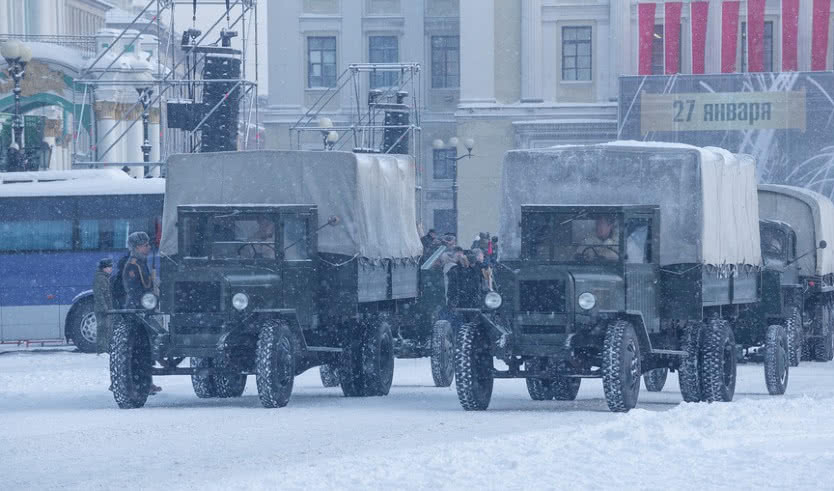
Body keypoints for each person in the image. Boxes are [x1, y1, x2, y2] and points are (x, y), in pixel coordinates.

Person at [122, 231, 162, 394]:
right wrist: (146, 300)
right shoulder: (133, 264)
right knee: (143, 349)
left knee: (147, 348)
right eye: (145, 245)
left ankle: (146, 382)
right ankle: (141, 383)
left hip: (145, 309)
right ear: (137, 247)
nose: (148, 247)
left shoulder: (141, 262)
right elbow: (134, 289)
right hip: (137, 311)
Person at [93, 258, 114, 355]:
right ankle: (102, 350)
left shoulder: (104, 278)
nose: (111, 269)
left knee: (106, 329)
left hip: (105, 309)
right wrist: (105, 307)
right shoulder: (100, 278)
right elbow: (99, 295)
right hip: (102, 310)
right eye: (109, 267)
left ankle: (104, 349)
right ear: (104, 268)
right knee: (103, 329)